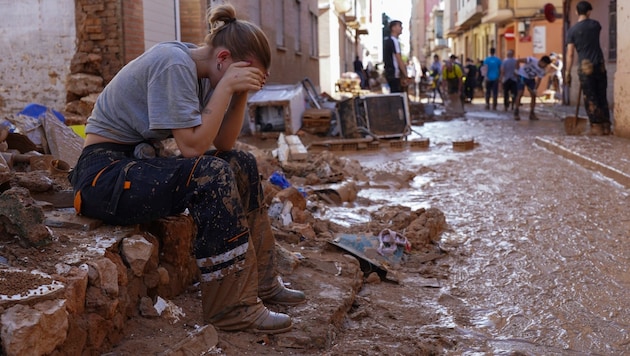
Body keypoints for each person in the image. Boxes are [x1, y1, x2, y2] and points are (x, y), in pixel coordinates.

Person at [69, 4, 305, 334]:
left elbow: (224, 143)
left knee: (240, 163)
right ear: (223, 59)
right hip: (103, 176)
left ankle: (263, 282)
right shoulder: (173, 64)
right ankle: (231, 308)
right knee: (212, 174)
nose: (241, 81)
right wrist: (226, 87)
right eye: (243, 73)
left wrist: (238, 95)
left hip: (137, 164)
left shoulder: (207, 73)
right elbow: (192, 148)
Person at [565, 0, 612, 135]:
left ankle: (596, 127)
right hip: (600, 65)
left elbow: (570, 53)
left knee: (590, 97)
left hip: (585, 66)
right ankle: (606, 126)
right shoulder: (595, 25)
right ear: (589, 12)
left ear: (576, 12)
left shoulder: (572, 31)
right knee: (601, 95)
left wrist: (567, 72)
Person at [513, 55, 552, 120]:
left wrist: (535, 89)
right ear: (541, 61)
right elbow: (518, 60)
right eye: (545, 64)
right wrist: (516, 70)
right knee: (520, 93)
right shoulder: (531, 60)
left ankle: (532, 113)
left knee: (533, 95)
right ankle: (516, 112)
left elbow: (539, 80)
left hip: (530, 79)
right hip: (522, 76)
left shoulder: (542, 70)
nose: (545, 66)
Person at [383, 20, 410, 93]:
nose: (401, 28)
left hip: (390, 72)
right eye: (399, 26)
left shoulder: (388, 40)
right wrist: (405, 74)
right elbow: (398, 58)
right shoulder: (394, 41)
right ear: (393, 28)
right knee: (397, 95)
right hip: (394, 73)